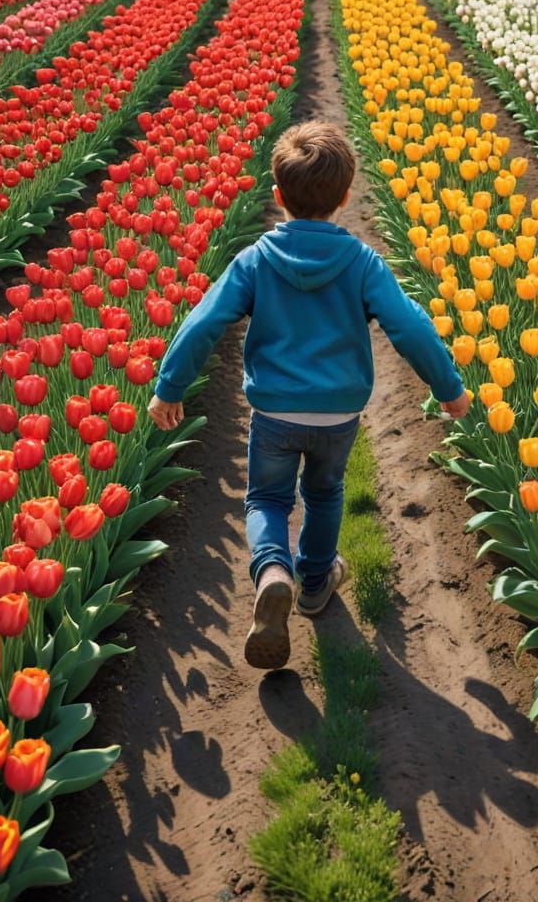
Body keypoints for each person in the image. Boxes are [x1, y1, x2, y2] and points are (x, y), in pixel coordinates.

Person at [148, 120, 470, 669]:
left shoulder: (255, 260)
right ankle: (315, 582)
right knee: (324, 493)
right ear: (346, 197)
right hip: (338, 413)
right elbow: (410, 326)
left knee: (267, 500)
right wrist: (449, 389)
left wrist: (169, 386)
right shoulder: (362, 263)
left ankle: (272, 571)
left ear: (277, 197)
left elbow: (204, 321)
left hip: (273, 410)